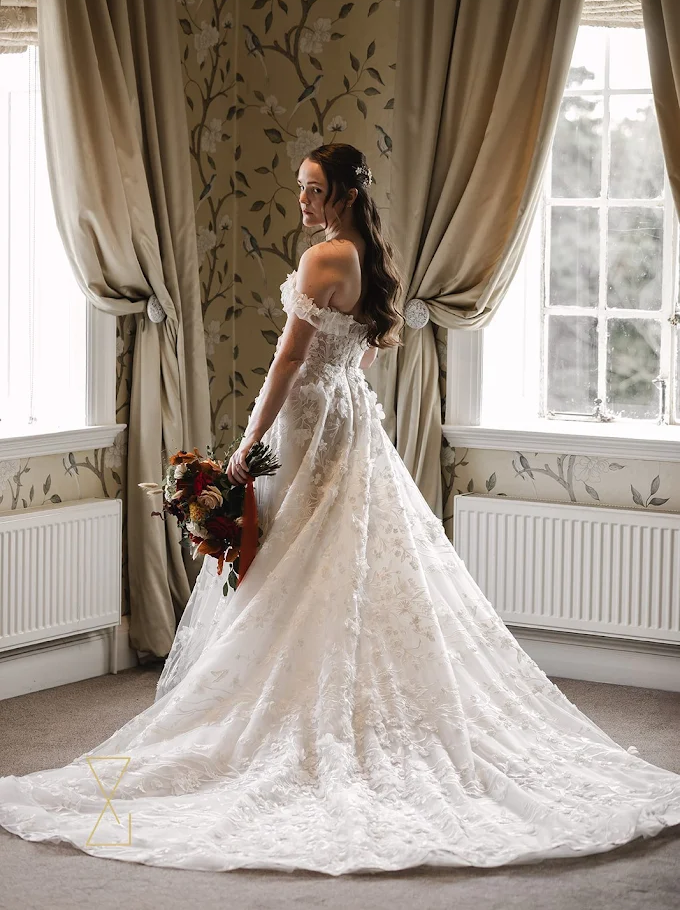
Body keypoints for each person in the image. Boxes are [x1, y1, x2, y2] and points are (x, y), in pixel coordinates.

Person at [0, 142, 678, 875]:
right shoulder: (368, 256)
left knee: (300, 549)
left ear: (346, 195)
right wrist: (337, 391)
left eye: (313, 190)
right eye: (300, 188)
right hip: (348, 415)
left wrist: (245, 444)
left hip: (312, 420)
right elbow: (366, 351)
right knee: (332, 551)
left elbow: (289, 361)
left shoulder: (327, 261)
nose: (302, 201)